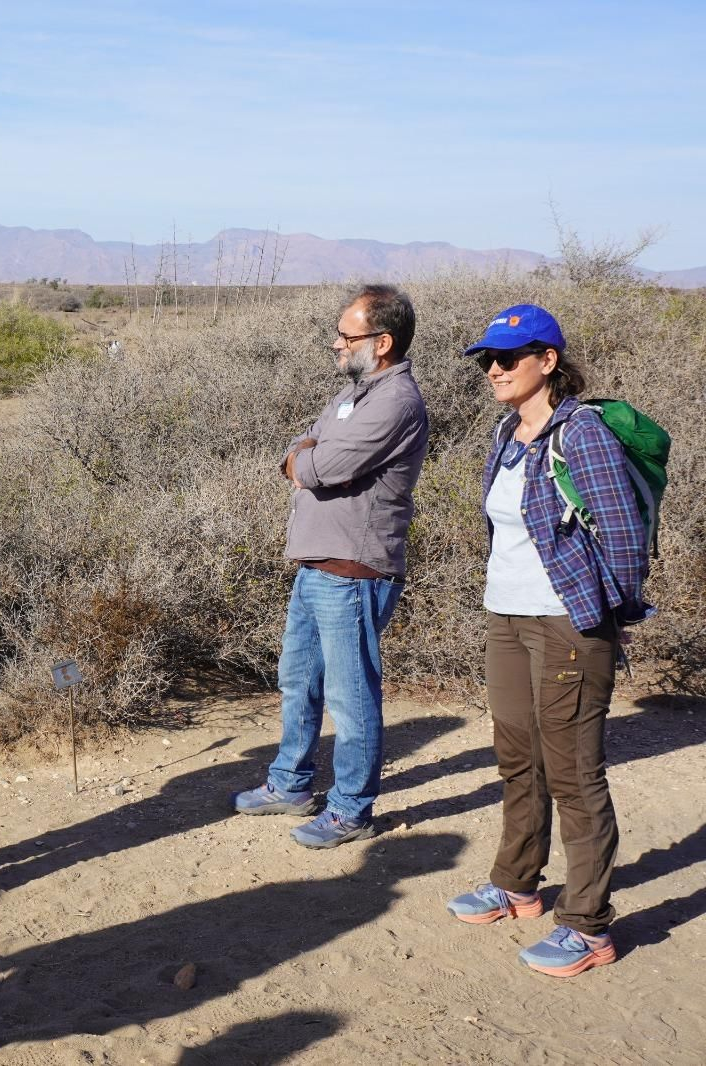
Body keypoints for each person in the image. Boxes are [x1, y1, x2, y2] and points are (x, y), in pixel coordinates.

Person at [445, 305, 648, 977]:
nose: (494, 370)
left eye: (508, 358)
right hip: (507, 614)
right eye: (487, 361)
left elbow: (622, 533)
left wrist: (604, 611)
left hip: (567, 622)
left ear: (549, 361)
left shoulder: (581, 433)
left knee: (573, 771)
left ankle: (589, 925)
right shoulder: (508, 431)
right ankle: (517, 884)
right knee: (516, 753)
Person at [232, 284, 429, 848]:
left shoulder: (396, 402)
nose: (337, 344)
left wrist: (308, 458)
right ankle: (290, 783)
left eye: (348, 335)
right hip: (318, 565)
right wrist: (306, 455)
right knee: (299, 681)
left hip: (355, 570)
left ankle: (350, 809)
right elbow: (300, 447)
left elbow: (323, 465)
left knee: (350, 696)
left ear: (382, 342)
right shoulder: (357, 392)